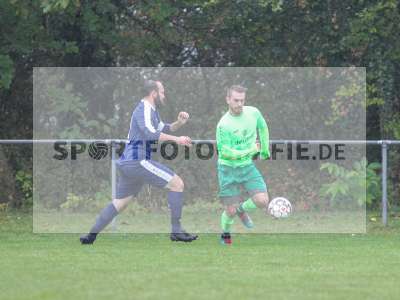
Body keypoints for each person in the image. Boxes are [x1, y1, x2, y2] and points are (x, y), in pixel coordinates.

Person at [80, 80, 198, 244]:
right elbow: (151, 135)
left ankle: (90, 236)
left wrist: (179, 123)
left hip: (130, 163)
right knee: (177, 184)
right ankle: (176, 231)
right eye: (162, 92)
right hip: (137, 160)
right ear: (153, 93)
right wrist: (178, 140)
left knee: (120, 203)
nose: (164, 95)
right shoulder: (143, 109)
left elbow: (164, 128)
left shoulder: (152, 111)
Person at [216, 85, 270, 245]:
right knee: (229, 212)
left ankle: (241, 210)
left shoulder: (253, 112)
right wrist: (251, 150)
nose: (239, 104)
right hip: (227, 169)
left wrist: (265, 149)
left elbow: (263, 126)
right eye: (236, 100)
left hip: (247, 167)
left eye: (242, 100)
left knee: (262, 200)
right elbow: (225, 152)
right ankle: (225, 234)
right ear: (228, 100)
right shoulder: (223, 125)